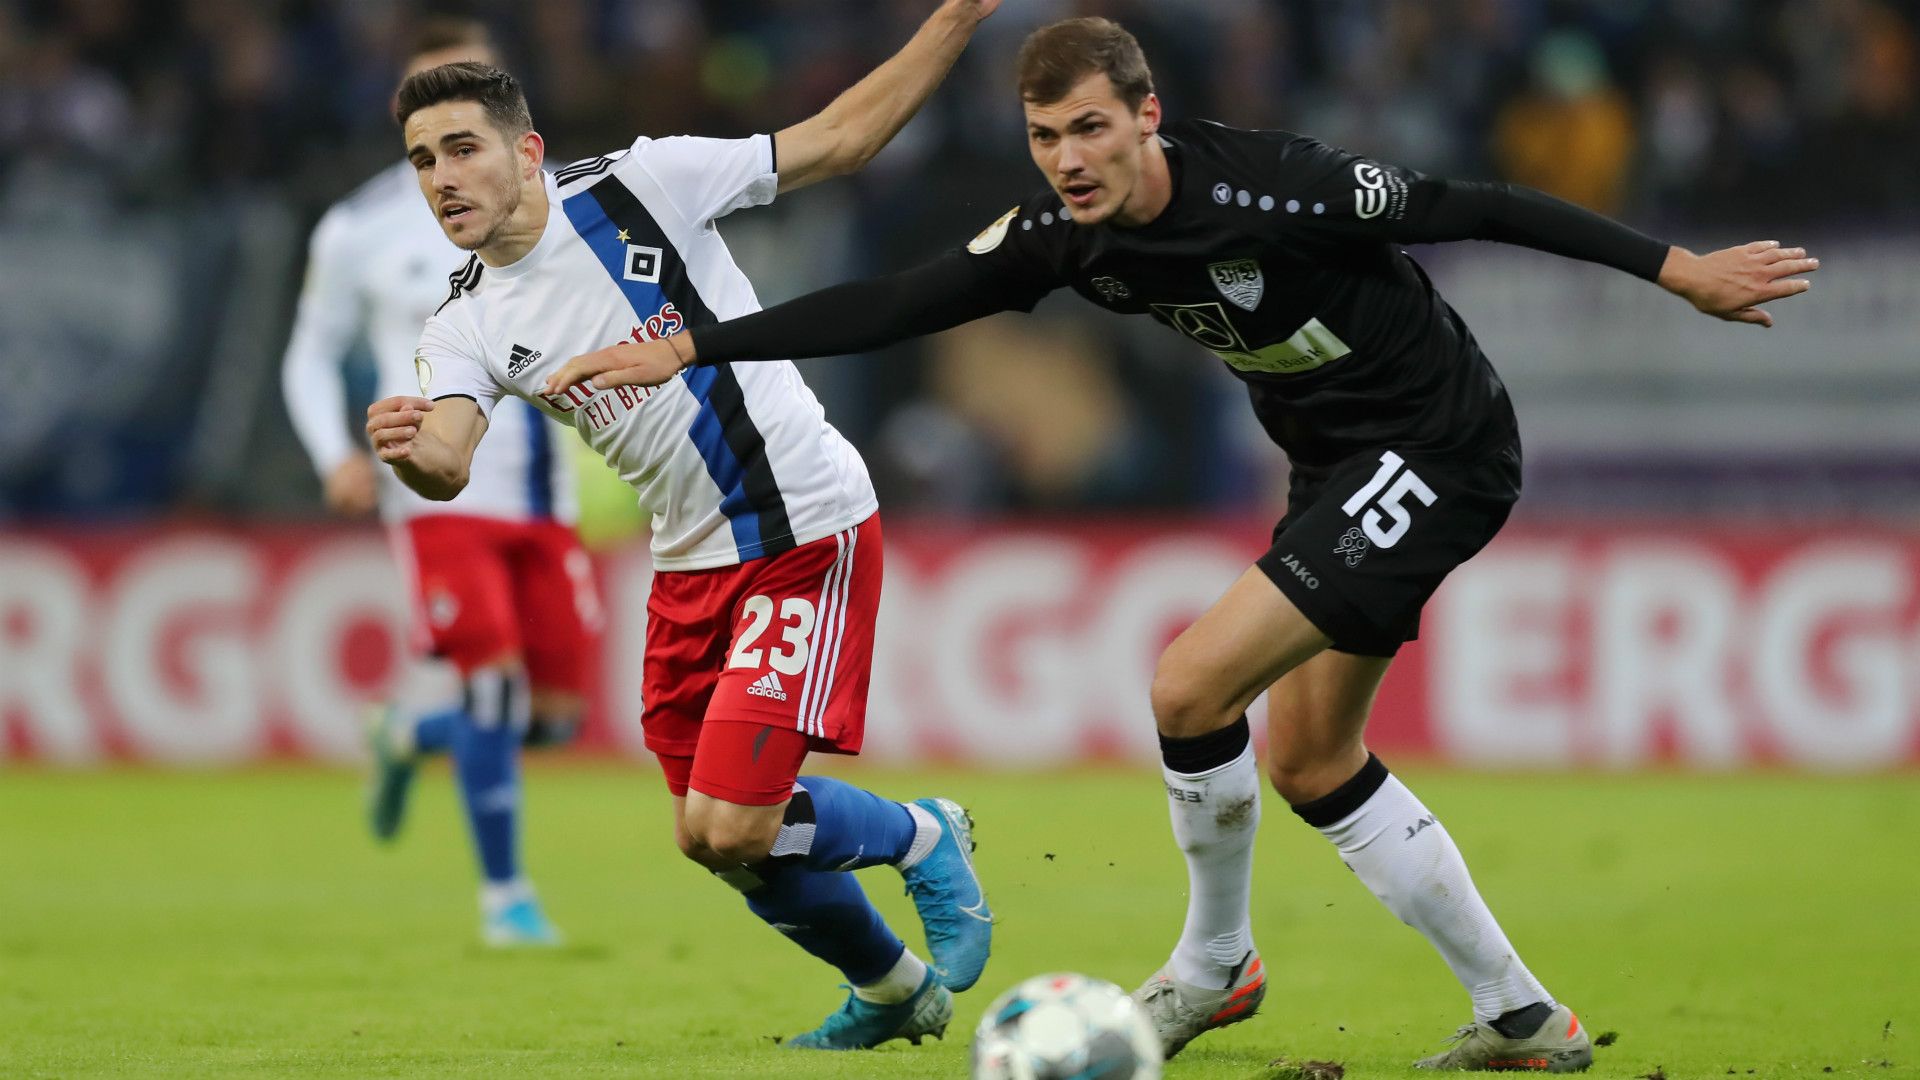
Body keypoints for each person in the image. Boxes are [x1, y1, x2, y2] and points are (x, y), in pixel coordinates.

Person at [544, 16, 1818, 1072]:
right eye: (1046, 137)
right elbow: (899, 302)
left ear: (1147, 117)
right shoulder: (1063, 234)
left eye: (1091, 128)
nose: (1068, 159)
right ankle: (1525, 1017)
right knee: (1312, 760)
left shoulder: (1278, 185)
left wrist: (1677, 268)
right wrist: (692, 344)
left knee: (1189, 687)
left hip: (1438, 446)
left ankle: (1213, 965)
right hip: (1333, 468)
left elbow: (1475, 203)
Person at [364, 0, 1000, 1053]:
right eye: (423, 160)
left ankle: (922, 833)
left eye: (463, 148)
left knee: (742, 818)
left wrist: (957, 17)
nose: (441, 178)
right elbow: (448, 461)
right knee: (709, 839)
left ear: (526, 152)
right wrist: (404, 449)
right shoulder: (465, 319)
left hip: (800, 526)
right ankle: (892, 988)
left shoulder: (643, 184)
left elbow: (842, 139)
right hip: (687, 564)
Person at [281, 17, 600, 948]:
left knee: (554, 719)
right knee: (491, 690)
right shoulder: (359, 228)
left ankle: (409, 735)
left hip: (545, 490)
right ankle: (507, 899)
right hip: (435, 495)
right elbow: (311, 353)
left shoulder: (563, 199)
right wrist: (334, 455)